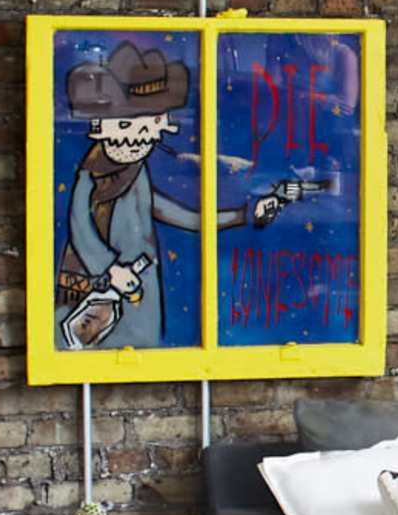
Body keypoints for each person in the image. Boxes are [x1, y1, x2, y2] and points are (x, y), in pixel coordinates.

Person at [55, 37, 291, 351]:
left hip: (138, 290)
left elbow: (180, 216)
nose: (138, 139)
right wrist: (110, 271)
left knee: (137, 351)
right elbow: (80, 229)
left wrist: (245, 214)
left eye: (149, 125)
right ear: (100, 126)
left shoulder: (136, 172)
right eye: (126, 124)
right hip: (95, 287)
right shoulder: (90, 175)